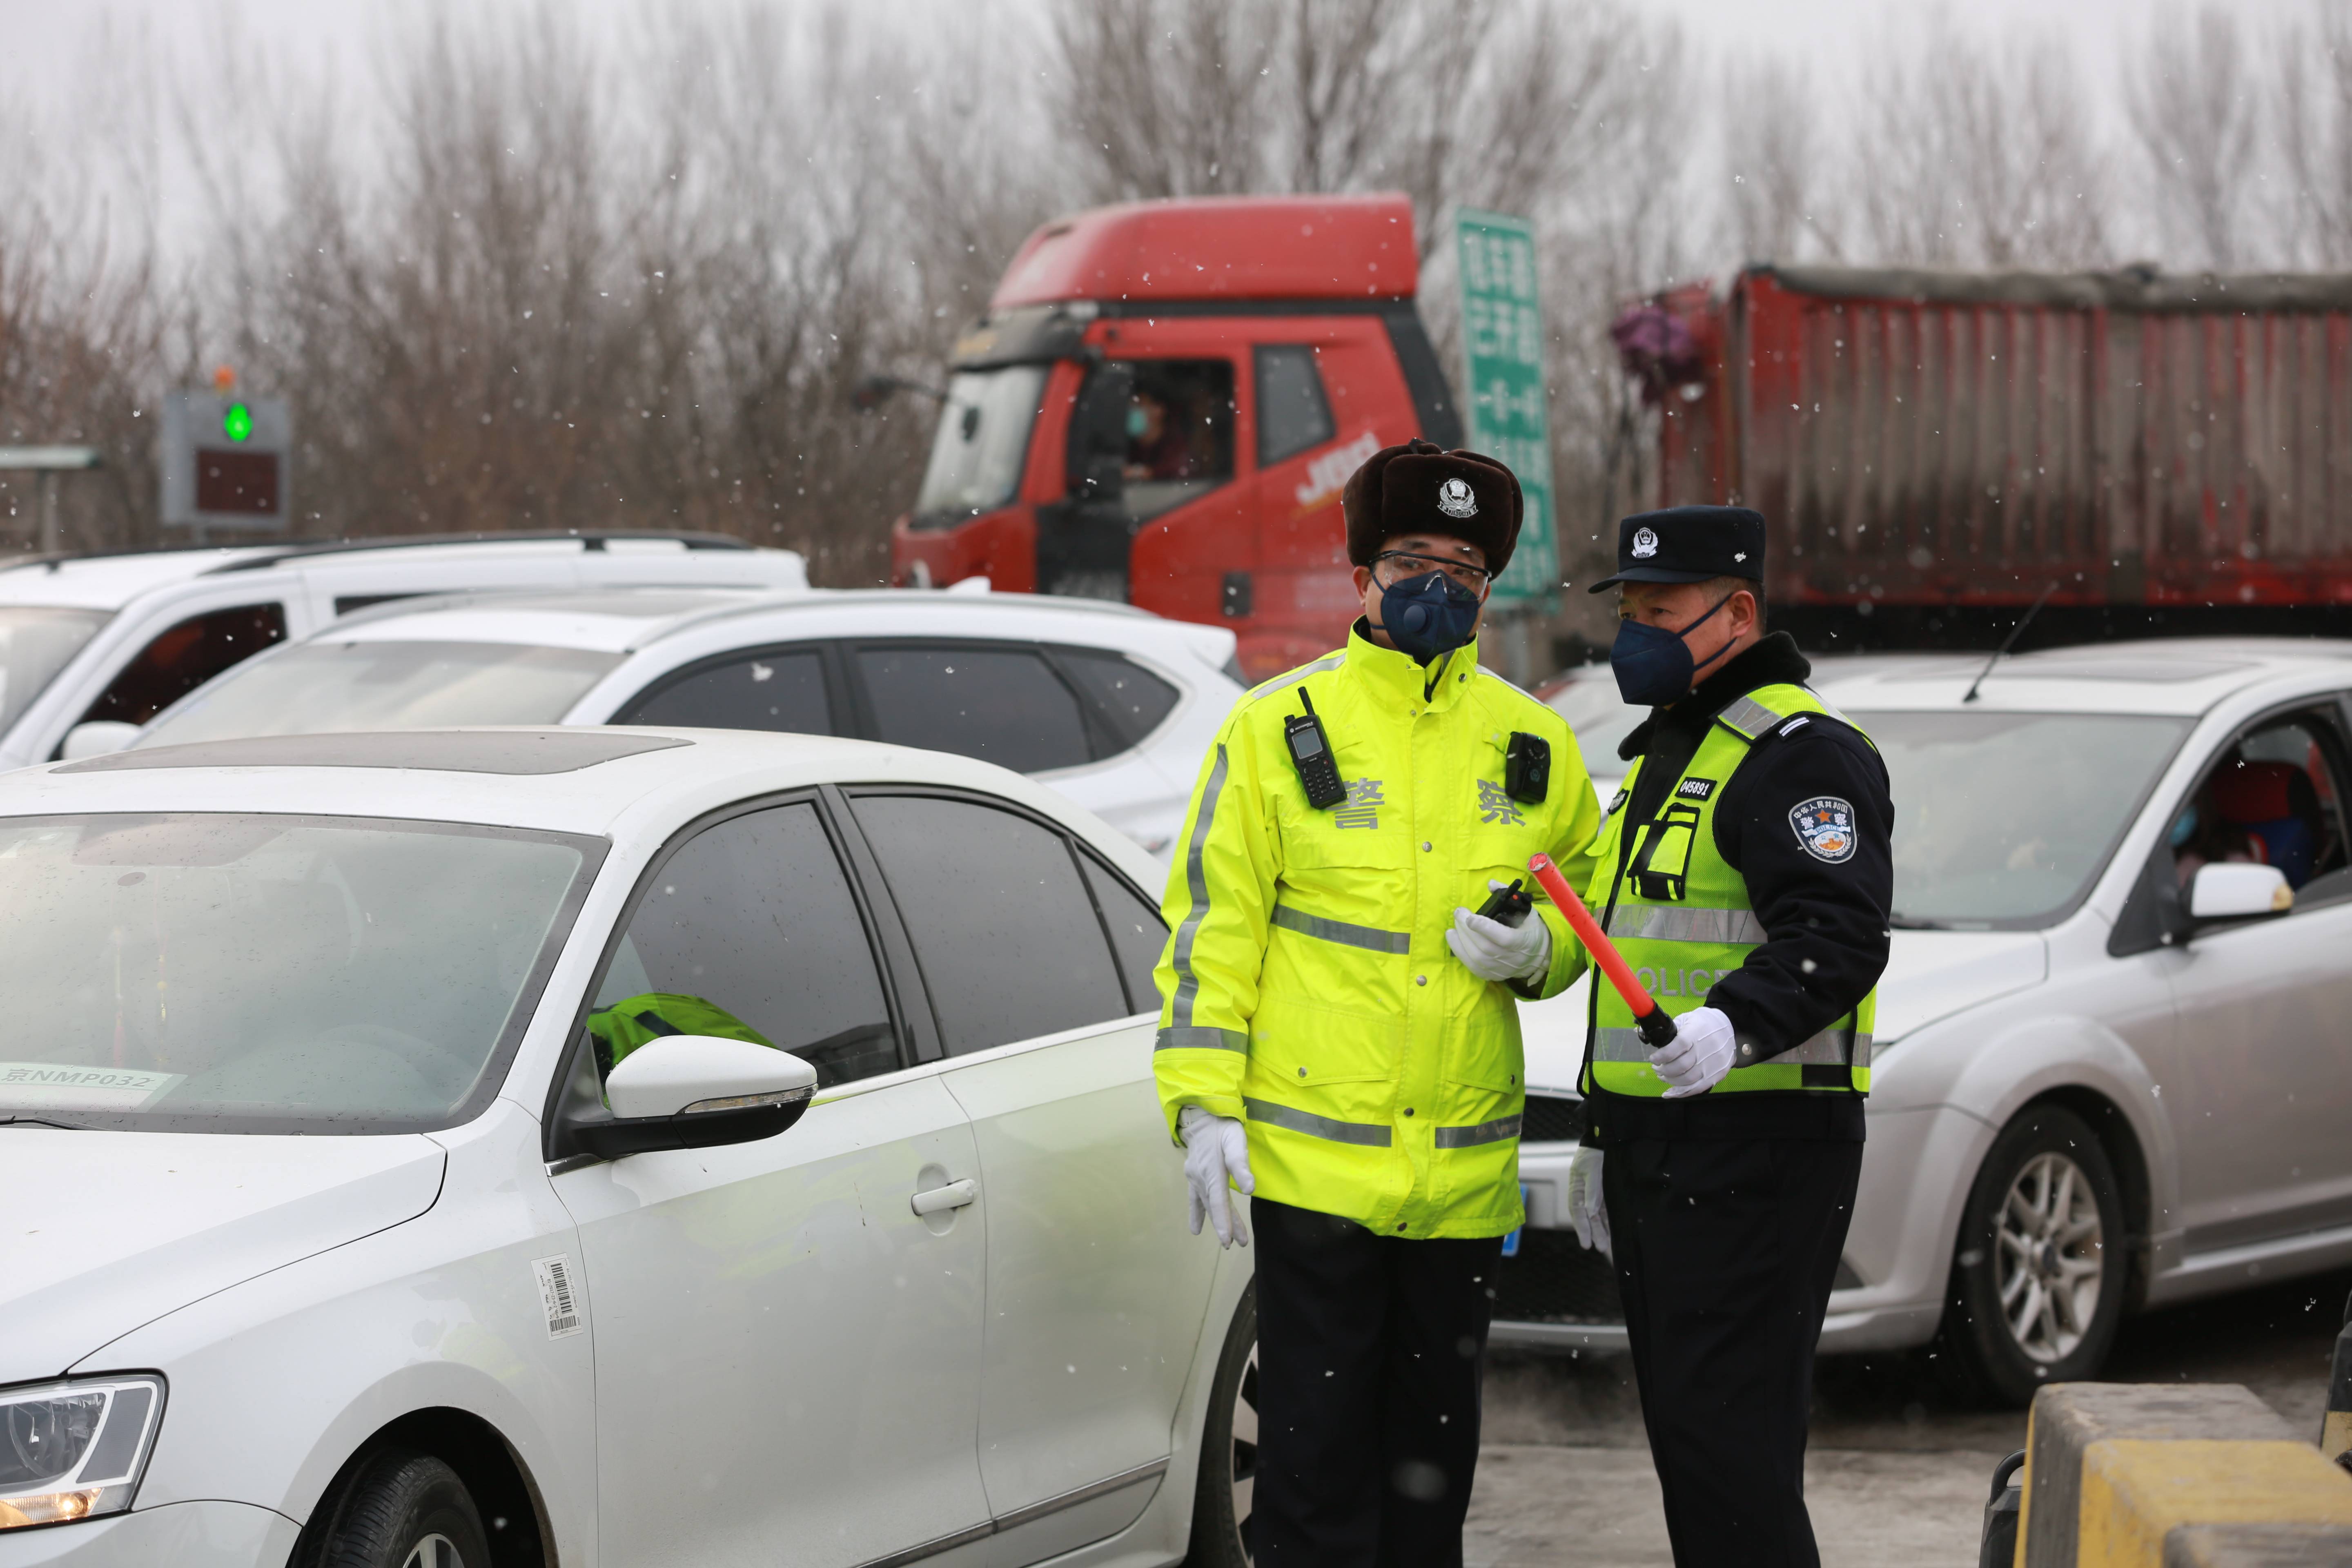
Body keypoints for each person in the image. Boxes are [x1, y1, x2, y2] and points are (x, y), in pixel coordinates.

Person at [1152, 439, 1601, 1566]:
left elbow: (1588, 911)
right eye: (1413, 559)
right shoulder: (1273, 731)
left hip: (1460, 1192)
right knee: (1311, 1486)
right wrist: (1203, 1104)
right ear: (1361, 578)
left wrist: (1536, 949)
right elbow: (1214, 934)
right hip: (1318, 1188)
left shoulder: (1535, 744)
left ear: (1491, 588)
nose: (1440, 585)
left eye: (1465, 566)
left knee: (1429, 1497)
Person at [1563, 505, 1894, 1568]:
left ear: (1737, 612)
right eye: (1631, 611)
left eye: (1661, 612)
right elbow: (1635, 940)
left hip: (1759, 1151)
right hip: (1666, 1149)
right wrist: (1599, 1130)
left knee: (1732, 1452)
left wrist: (1735, 1025)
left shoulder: (1800, 754)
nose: (1635, 635)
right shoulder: (1673, 747)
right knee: (1696, 1449)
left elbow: (1838, 937)